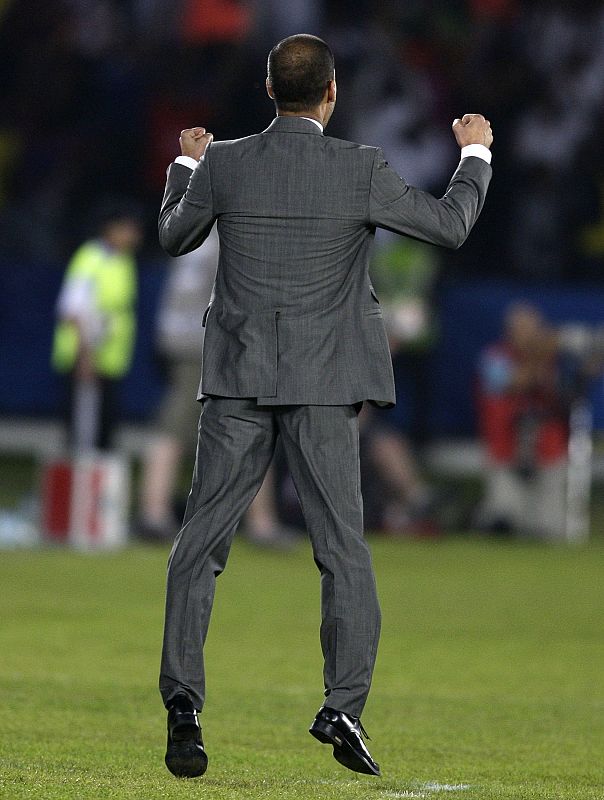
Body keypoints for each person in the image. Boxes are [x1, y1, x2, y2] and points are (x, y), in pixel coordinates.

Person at [157, 34, 492, 779]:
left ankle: (183, 705)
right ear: (332, 93)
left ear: (268, 90)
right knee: (342, 551)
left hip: (238, 378)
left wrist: (185, 165)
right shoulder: (359, 167)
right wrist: (475, 152)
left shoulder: (226, 163)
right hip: (326, 380)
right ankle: (343, 705)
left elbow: (175, 236)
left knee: (199, 544)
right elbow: (449, 225)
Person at [138, 226, 298, 549]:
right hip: (210, 341)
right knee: (245, 427)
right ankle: (155, 514)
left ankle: (156, 512)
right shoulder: (232, 235)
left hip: (184, 341)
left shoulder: (196, 232)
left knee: (183, 428)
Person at [474, 303, 569, 540]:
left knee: (548, 529)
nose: (527, 336)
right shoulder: (494, 357)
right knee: (505, 523)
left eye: (532, 330)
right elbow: (510, 384)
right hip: (506, 451)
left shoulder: (554, 361)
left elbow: (567, 394)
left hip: (547, 450)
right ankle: (481, 517)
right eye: (521, 330)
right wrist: (540, 357)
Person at [51, 204, 142, 450]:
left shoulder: (123, 260)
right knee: (82, 432)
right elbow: (73, 310)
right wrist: (85, 355)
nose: (135, 235)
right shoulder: (91, 258)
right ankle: (76, 475)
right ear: (111, 229)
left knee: (104, 430)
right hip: (86, 358)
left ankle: (96, 474)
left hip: (109, 360)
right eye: (129, 229)